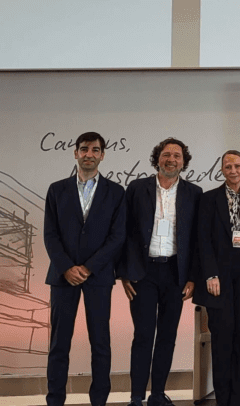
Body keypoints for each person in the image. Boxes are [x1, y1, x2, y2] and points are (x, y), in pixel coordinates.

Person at [44, 132, 126, 406]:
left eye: (94, 149)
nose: (89, 154)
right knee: (58, 345)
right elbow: (50, 235)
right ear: (75, 153)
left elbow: (117, 237)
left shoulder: (116, 192)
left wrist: (89, 268)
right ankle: (55, 400)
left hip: (98, 276)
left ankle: (99, 401)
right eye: (83, 149)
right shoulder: (56, 189)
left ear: (102, 155)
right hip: (62, 276)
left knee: (100, 343)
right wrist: (67, 267)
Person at [119, 138, 202, 406]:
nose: (171, 160)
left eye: (177, 156)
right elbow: (122, 232)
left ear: (183, 161)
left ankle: (157, 394)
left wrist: (193, 277)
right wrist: (123, 272)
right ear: (158, 159)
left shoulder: (194, 193)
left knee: (167, 336)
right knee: (143, 335)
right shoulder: (136, 188)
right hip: (142, 274)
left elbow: (198, 240)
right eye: (166, 155)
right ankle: (136, 397)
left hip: (175, 274)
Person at [193, 150, 240, 406]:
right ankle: (223, 400)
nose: (233, 170)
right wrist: (210, 274)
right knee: (222, 341)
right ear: (222, 170)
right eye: (227, 166)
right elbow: (202, 240)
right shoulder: (209, 198)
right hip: (219, 279)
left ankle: (238, 400)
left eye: (237, 165)